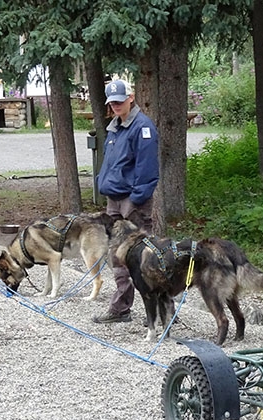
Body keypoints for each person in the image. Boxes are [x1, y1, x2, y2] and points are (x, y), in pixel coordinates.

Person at [92, 79, 159, 324]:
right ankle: (121, 308)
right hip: (114, 199)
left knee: (145, 258)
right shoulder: (115, 127)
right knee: (118, 256)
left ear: (131, 97)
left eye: (120, 101)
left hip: (132, 202)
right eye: (112, 102)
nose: (116, 105)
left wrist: (137, 199)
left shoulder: (143, 127)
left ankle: (158, 310)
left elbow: (148, 168)